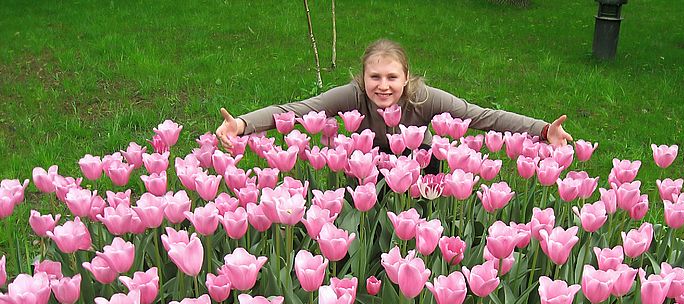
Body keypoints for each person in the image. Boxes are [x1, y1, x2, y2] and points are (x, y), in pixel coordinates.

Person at [215, 39, 572, 153]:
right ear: (363, 78)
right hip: (369, 169)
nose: (383, 86)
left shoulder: (424, 99)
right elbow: (297, 110)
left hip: (421, 170)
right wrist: (244, 124)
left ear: (406, 78)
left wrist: (543, 130)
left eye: (391, 77)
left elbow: (482, 118)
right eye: (375, 77)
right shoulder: (354, 96)